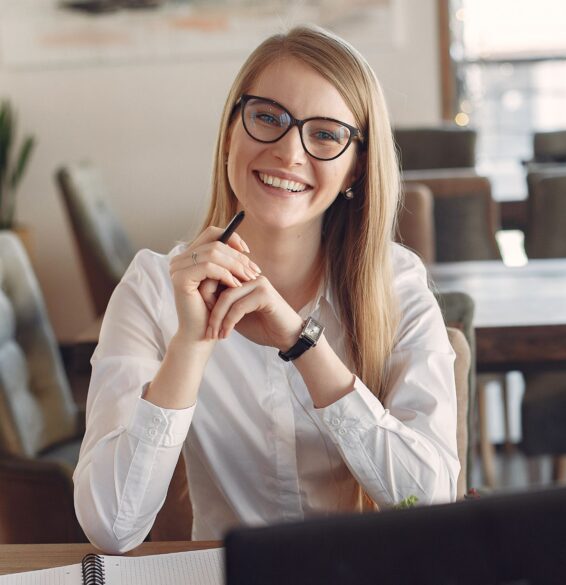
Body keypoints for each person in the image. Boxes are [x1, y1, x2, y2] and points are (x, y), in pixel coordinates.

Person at [73, 25, 458, 554]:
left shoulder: (398, 285)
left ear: (356, 169)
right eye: (268, 118)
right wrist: (191, 343)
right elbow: (112, 528)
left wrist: (304, 344)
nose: (288, 151)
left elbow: (430, 506)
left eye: (324, 134)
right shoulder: (153, 288)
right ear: (232, 130)